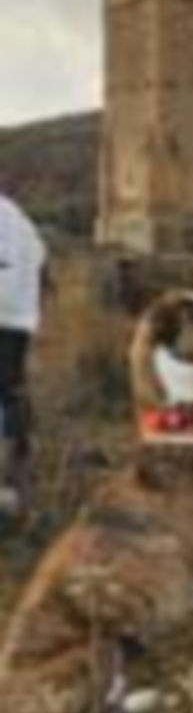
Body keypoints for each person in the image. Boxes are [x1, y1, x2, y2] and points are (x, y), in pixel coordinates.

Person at [0, 194, 46, 518]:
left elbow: (11, 272)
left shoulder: (6, 217)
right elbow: (40, 254)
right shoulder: (12, 213)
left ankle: (10, 487)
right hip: (17, 319)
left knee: (6, 396)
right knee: (10, 393)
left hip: (7, 319)